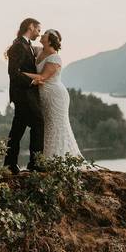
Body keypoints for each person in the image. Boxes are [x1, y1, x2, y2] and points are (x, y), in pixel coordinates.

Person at [23, 28, 87, 161]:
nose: (42, 34)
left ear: (51, 40)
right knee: (46, 125)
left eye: (45, 33)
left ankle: (59, 159)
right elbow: (23, 46)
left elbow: (42, 77)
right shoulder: (39, 51)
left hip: (55, 96)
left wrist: (20, 74)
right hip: (43, 95)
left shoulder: (55, 58)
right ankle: (46, 159)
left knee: (57, 126)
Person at [3, 17, 44, 174]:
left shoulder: (26, 45)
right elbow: (13, 74)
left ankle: (10, 164)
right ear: (31, 27)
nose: (39, 34)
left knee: (17, 129)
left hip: (24, 95)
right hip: (24, 95)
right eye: (38, 30)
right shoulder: (19, 46)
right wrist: (32, 82)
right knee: (38, 124)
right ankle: (35, 164)